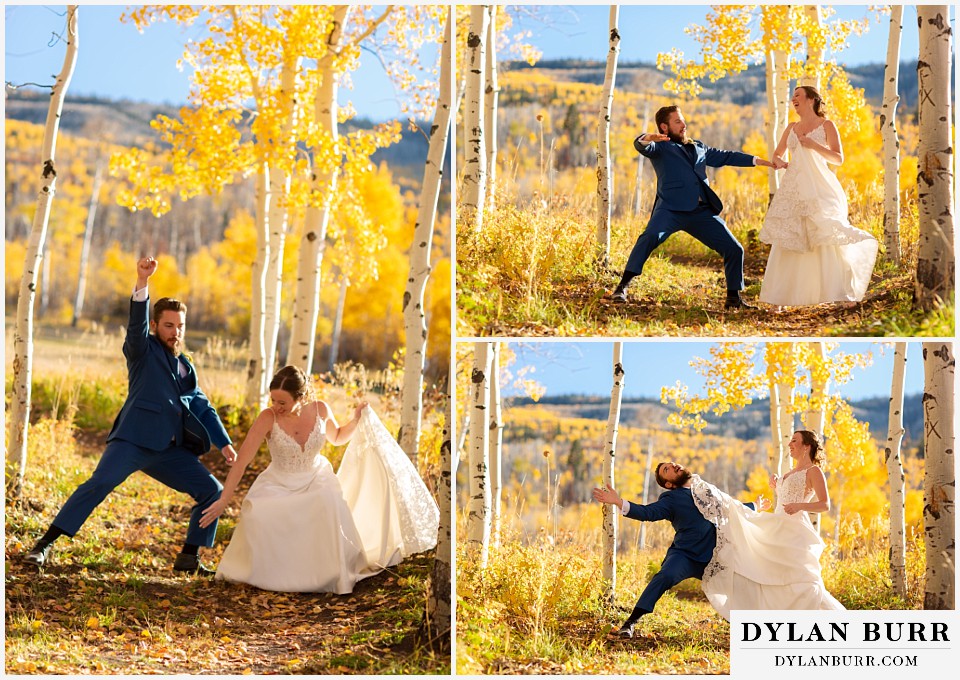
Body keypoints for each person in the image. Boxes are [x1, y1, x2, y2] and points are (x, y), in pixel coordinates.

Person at [23, 257, 238, 575]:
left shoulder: (185, 365)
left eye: (180, 326)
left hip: (168, 450)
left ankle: (189, 557)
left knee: (212, 490)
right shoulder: (142, 349)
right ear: (155, 326)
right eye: (168, 325)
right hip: (133, 440)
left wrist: (224, 443)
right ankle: (44, 545)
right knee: (99, 484)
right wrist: (142, 283)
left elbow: (203, 406)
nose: (175, 332)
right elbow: (135, 327)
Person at [201, 365, 439, 593]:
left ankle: (325, 574)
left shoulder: (320, 410)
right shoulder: (268, 417)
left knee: (328, 500)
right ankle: (275, 574)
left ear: (301, 397)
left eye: (282, 402)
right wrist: (224, 500)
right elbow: (241, 461)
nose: (276, 406)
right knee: (261, 512)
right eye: (273, 400)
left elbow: (336, 437)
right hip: (279, 481)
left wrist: (356, 419)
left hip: (315, 477)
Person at [612, 105, 777, 309]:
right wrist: (649, 137)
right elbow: (641, 145)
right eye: (678, 121)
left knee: (734, 249)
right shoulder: (660, 147)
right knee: (649, 237)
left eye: (683, 120)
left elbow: (727, 156)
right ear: (664, 127)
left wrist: (759, 161)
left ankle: (733, 299)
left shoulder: (698, 146)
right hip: (670, 209)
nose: (684, 125)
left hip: (700, 212)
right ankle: (622, 287)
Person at [592, 461, 767, 638]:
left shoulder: (705, 490)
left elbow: (730, 509)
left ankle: (749, 627)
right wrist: (619, 502)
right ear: (669, 484)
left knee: (739, 585)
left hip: (714, 556)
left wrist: (754, 506)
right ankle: (631, 622)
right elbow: (647, 513)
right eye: (666, 469)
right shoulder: (670, 499)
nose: (674, 465)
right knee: (665, 576)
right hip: (686, 555)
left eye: (672, 463)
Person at [693, 430, 845, 618]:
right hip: (778, 525)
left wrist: (800, 505)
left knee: (802, 579)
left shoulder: (814, 471)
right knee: (772, 573)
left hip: (794, 531)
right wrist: (777, 485)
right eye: (790, 440)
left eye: (795, 441)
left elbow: (825, 505)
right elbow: (785, 497)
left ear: (807, 446)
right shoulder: (791, 472)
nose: (790, 444)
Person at [759, 86, 878, 307]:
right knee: (790, 236)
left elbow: (838, 158)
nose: (793, 99)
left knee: (825, 232)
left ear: (812, 100)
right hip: (794, 187)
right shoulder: (792, 128)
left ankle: (840, 293)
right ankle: (780, 298)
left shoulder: (827, 125)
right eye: (792, 96)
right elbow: (777, 153)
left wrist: (813, 145)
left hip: (821, 187)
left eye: (798, 95)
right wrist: (780, 162)